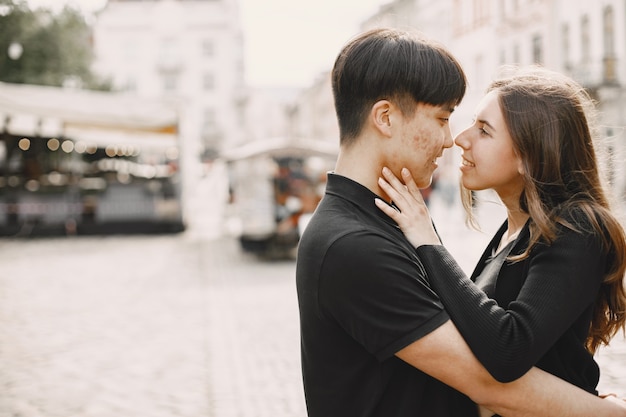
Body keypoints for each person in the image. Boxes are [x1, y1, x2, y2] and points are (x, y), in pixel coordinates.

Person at [376, 66, 626, 416]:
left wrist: (428, 243)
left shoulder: (577, 227)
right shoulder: (515, 230)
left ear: (529, 154)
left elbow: (509, 349)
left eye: (484, 130)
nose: (461, 139)